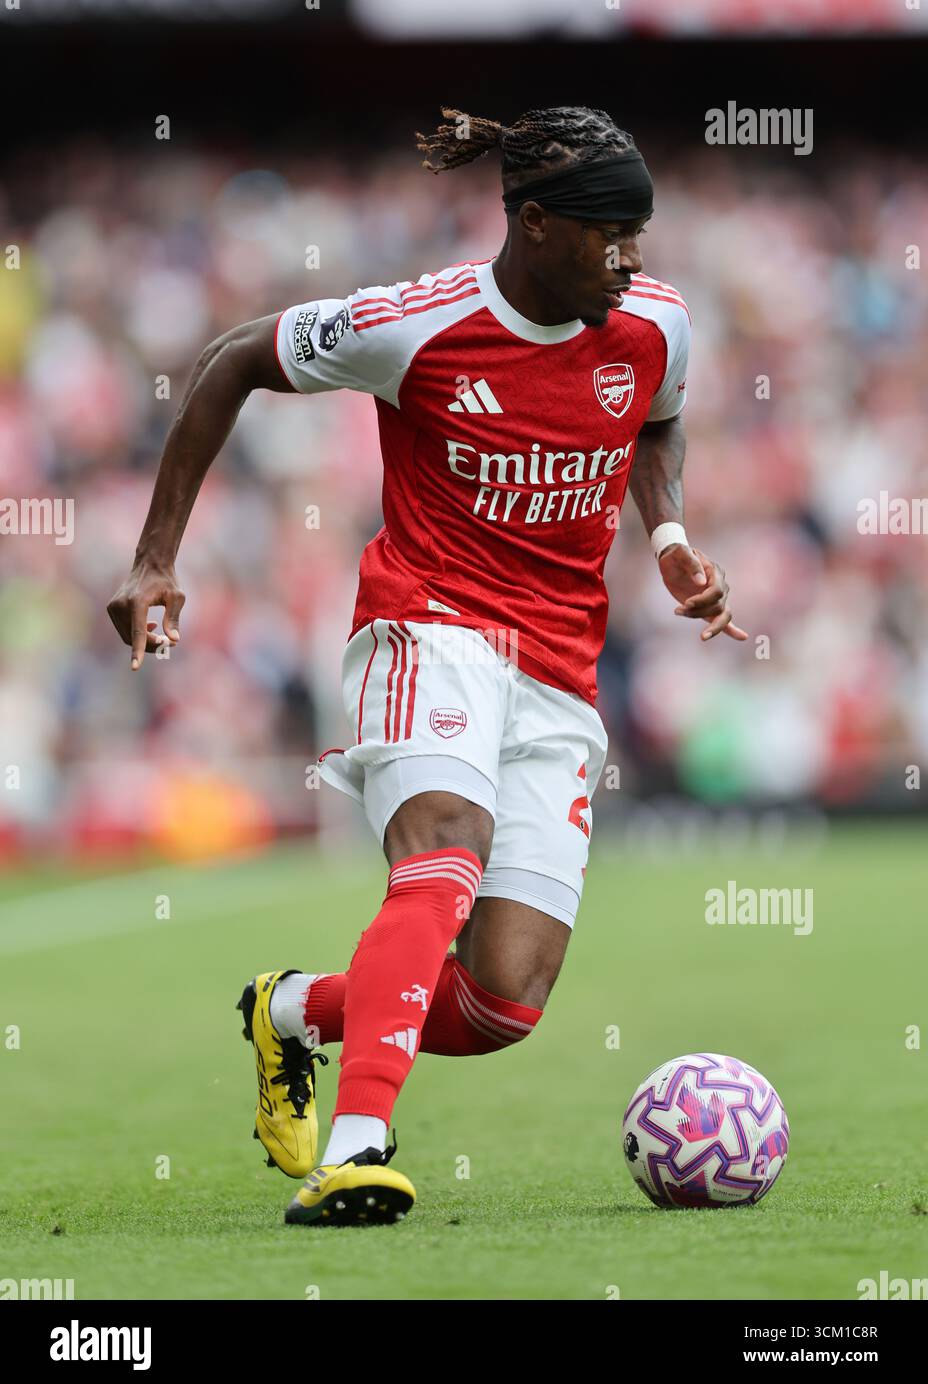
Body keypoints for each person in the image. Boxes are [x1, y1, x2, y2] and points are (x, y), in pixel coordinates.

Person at [107, 105, 746, 1228]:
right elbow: (227, 363)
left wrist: (671, 536)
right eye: (612, 236)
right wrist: (157, 556)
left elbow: (657, 424)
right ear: (536, 225)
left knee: (503, 998)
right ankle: (357, 1146)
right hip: (431, 621)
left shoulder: (653, 323)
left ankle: (292, 1010)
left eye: (640, 236)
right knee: (445, 851)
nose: (633, 258)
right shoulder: (417, 324)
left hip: (558, 663)